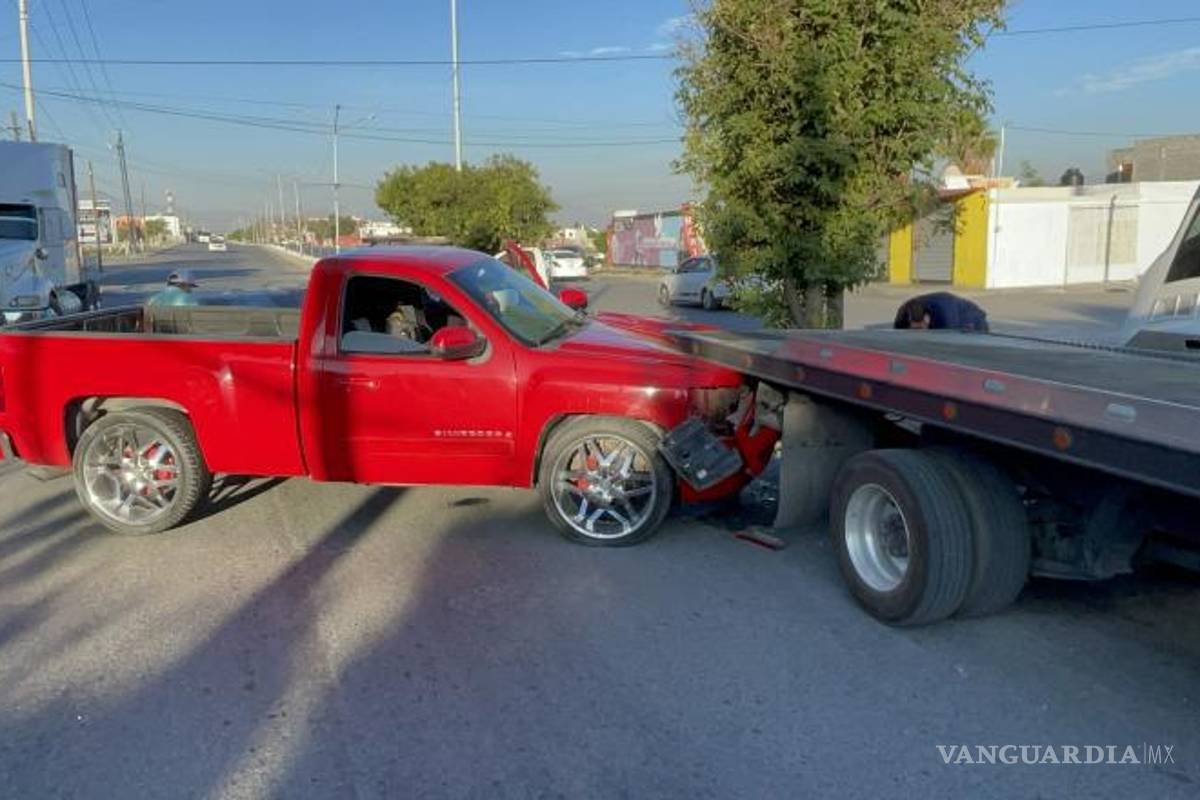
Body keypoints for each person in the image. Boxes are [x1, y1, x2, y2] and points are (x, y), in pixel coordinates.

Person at [894, 291, 989, 332]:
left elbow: (949, 345)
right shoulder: (904, 312)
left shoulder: (945, 317)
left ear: (927, 318)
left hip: (975, 320)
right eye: (914, 329)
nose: (919, 333)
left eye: (921, 328)